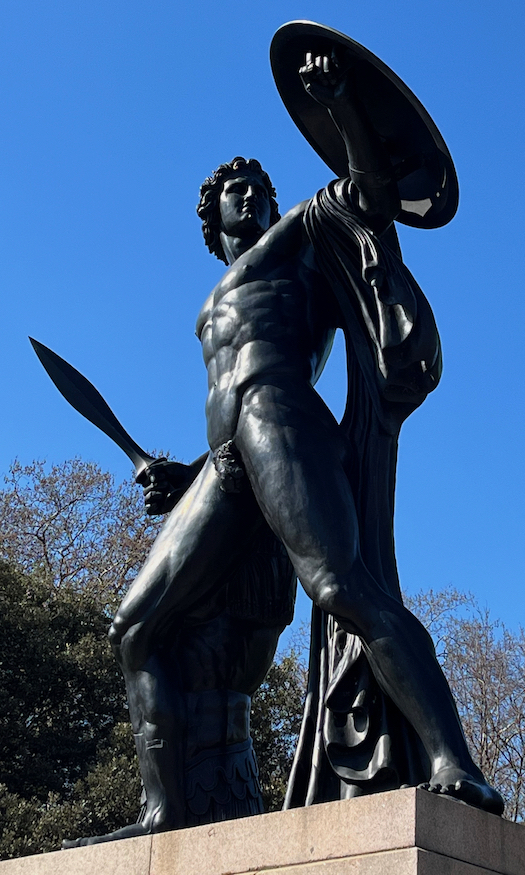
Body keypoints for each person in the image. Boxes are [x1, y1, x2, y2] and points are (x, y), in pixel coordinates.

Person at [64, 50, 503, 847]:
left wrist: (340, 110)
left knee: (341, 585)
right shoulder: (212, 297)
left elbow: (370, 198)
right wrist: (185, 471)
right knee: (134, 627)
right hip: (227, 459)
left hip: (281, 419)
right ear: (212, 217)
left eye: (260, 187)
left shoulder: (300, 237)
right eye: (238, 190)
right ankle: (166, 812)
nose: (254, 195)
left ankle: (452, 759)